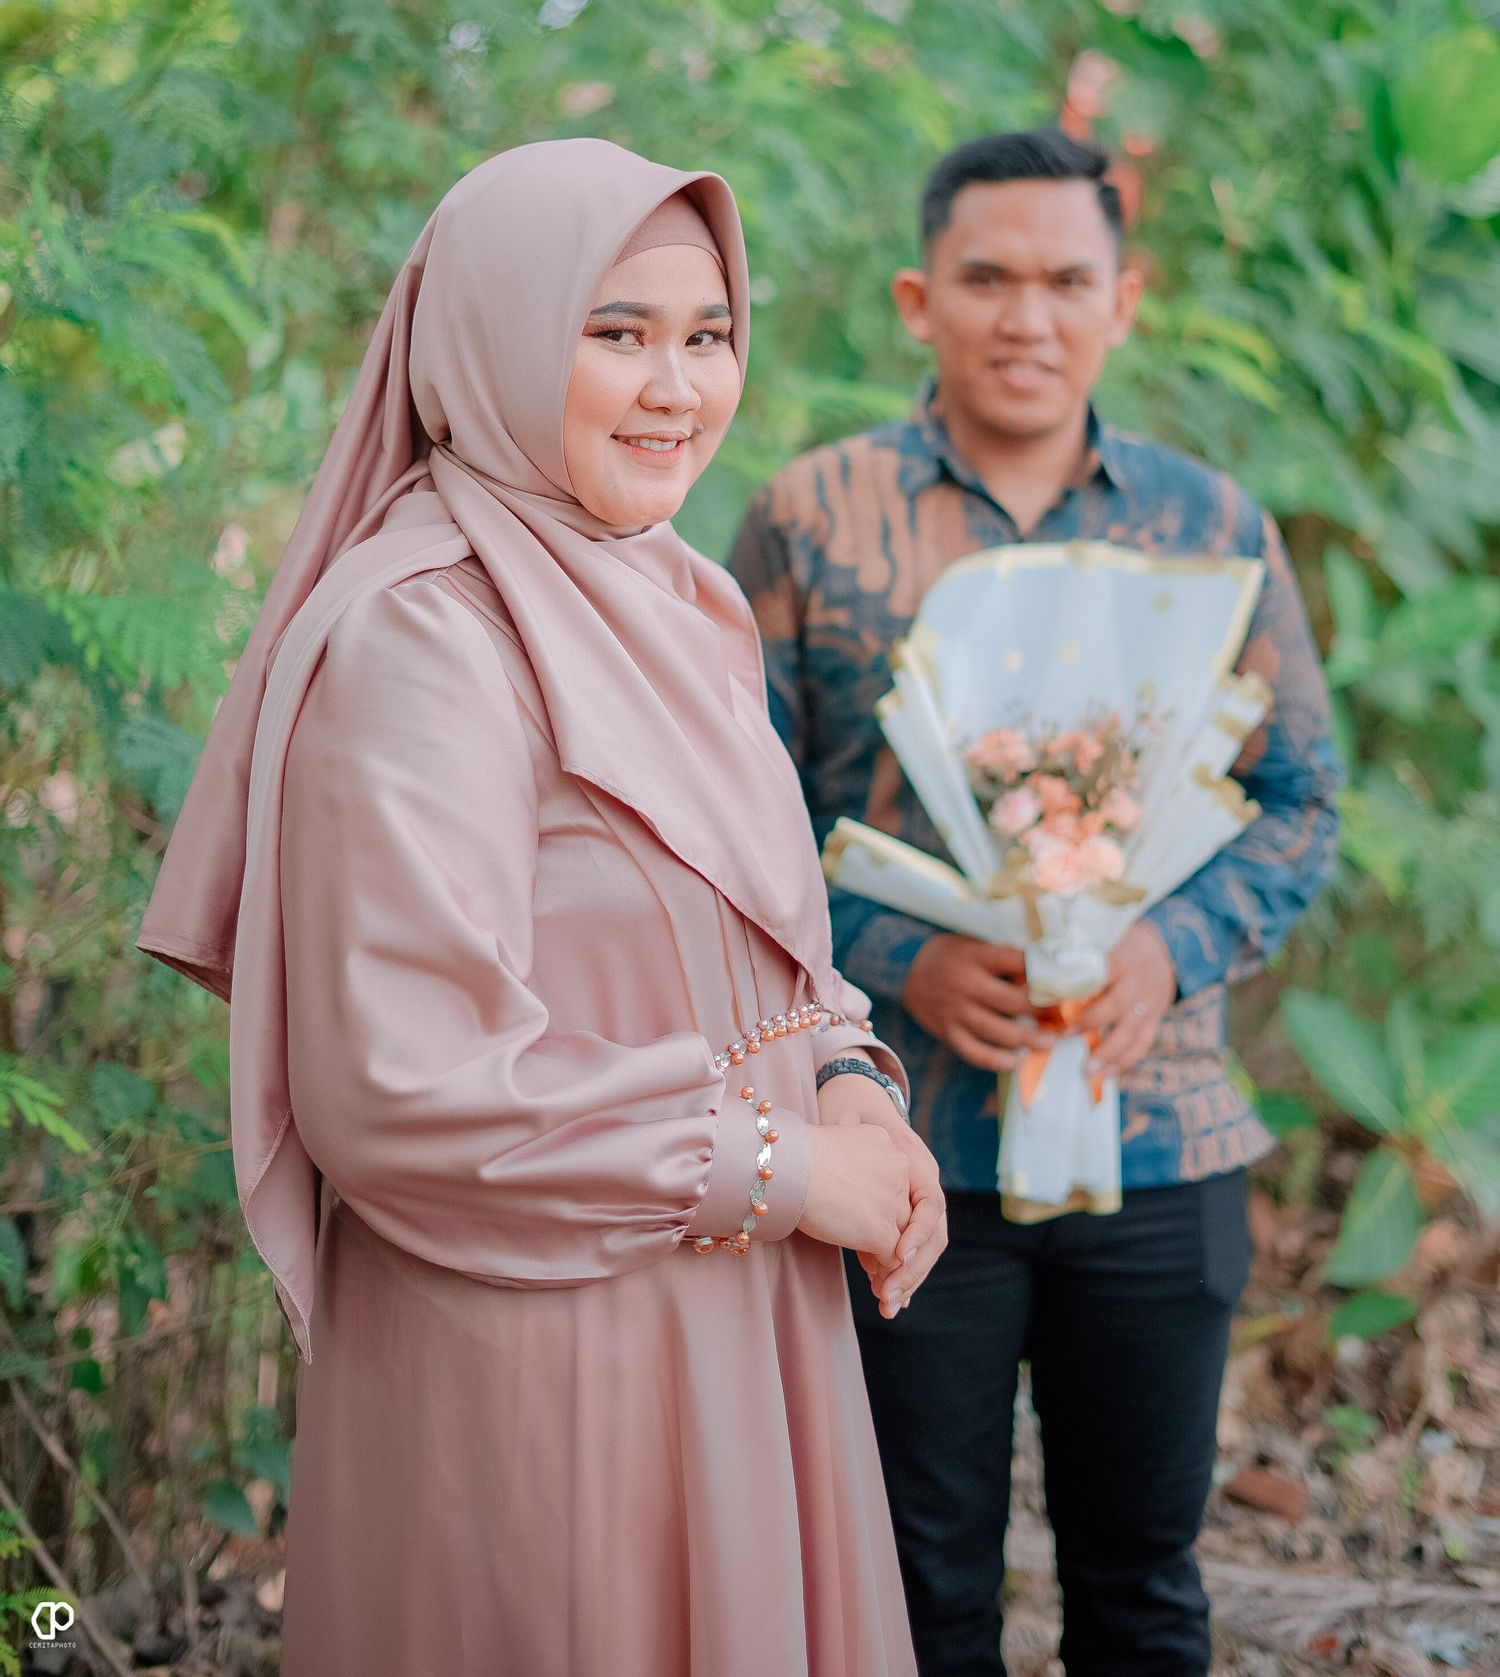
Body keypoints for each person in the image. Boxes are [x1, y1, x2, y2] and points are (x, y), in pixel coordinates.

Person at [134, 139, 949, 1677]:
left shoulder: (680, 597)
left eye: (708, 334)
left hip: (741, 1305)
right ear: (492, 337)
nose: (677, 388)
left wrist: (852, 1084)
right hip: (553, 1347)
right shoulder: (426, 637)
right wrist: (785, 1169)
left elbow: (766, 944)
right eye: (616, 331)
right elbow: (407, 1088)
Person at [728, 128, 1342, 1677]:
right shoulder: (811, 517)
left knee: (1144, 1589)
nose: (1028, 316)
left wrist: (1167, 947)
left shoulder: (1211, 528)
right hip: (900, 1143)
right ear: (918, 297)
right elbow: (734, 824)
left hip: (1159, 1132)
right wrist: (901, 957)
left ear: (1124, 300)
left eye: (1068, 280)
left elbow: (1298, 799)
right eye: (988, 278)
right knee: (912, 1585)